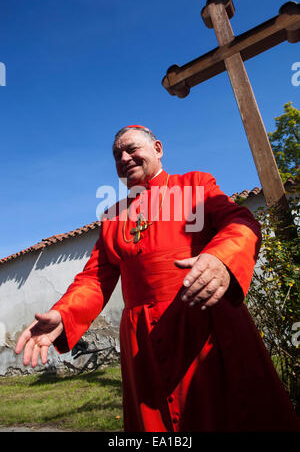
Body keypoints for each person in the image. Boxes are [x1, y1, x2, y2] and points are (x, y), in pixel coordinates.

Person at [15, 125, 300, 432]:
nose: (124, 158)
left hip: (205, 325)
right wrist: (64, 313)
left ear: (158, 149)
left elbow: (240, 222)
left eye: (131, 149)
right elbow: (95, 277)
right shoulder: (113, 218)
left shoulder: (195, 185)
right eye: (116, 155)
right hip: (143, 344)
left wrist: (221, 258)